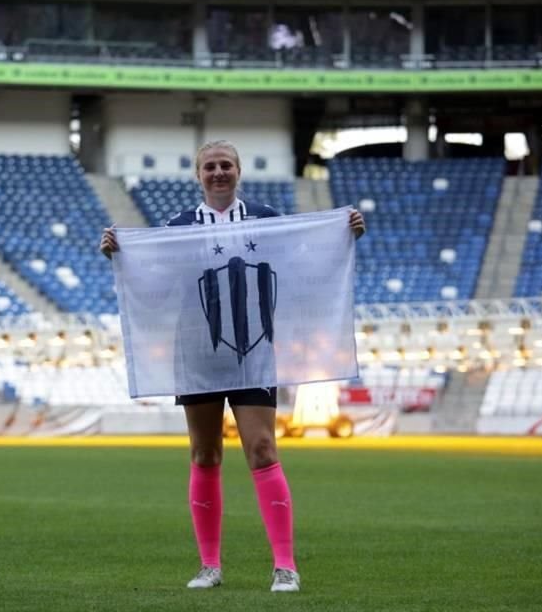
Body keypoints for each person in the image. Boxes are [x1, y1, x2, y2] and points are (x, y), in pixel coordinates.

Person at [100, 140, 365, 593]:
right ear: (197, 174)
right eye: (210, 166)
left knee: (262, 449)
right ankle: (209, 566)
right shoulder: (179, 227)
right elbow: (158, 283)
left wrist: (344, 233)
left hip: (256, 351)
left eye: (225, 165)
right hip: (199, 354)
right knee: (205, 453)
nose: (218, 173)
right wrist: (119, 254)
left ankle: (285, 565)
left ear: (239, 171)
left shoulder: (266, 220)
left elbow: (305, 263)